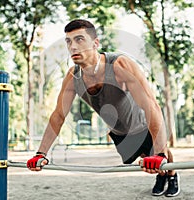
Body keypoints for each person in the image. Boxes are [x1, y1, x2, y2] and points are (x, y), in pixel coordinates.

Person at [27, 19, 180, 197]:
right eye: (69, 42)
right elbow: (58, 116)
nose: (73, 47)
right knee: (144, 156)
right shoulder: (73, 77)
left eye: (79, 40)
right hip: (119, 131)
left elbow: (151, 105)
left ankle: (172, 175)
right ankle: (160, 176)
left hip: (144, 123)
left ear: (95, 43)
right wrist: (41, 153)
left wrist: (160, 152)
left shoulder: (119, 66)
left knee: (159, 154)